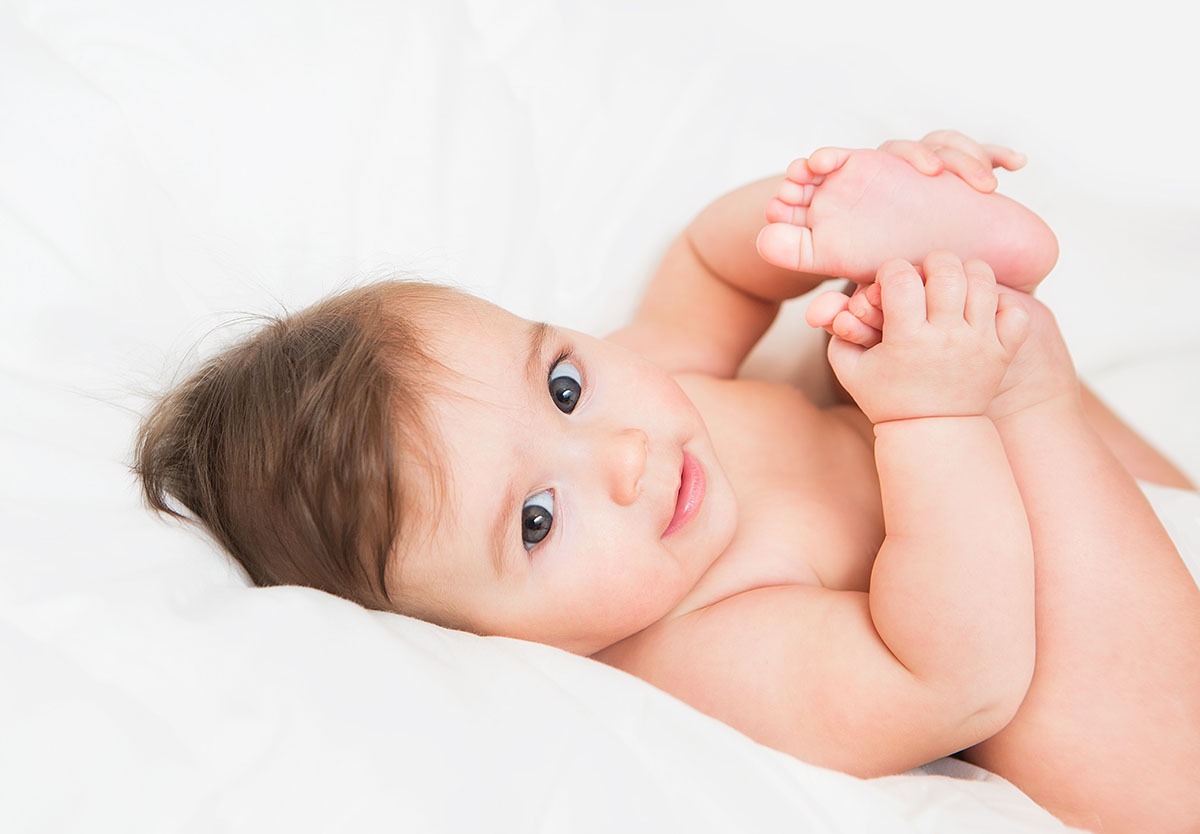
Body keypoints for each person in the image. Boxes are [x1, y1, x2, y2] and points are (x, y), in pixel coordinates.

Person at [135, 130, 1200, 833]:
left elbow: (712, 265)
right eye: (538, 522)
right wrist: (935, 412)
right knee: (1006, 356)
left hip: (1126, 520)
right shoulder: (698, 640)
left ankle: (974, 318)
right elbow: (953, 676)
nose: (625, 456)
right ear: (483, 642)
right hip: (1138, 739)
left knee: (909, 346)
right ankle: (1011, 381)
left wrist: (808, 221)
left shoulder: (647, 393)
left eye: (559, 383)